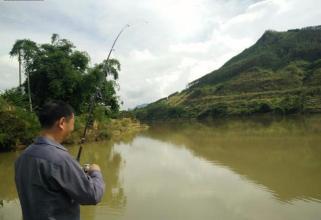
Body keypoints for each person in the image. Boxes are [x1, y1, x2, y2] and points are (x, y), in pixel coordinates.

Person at [15, 101, 105, 220]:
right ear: (62, 123)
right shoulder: (61, 159)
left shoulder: (23, 157)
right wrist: (95, 172)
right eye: (72, 125)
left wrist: (76, 172)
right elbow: (92, 195)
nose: (72, 130)